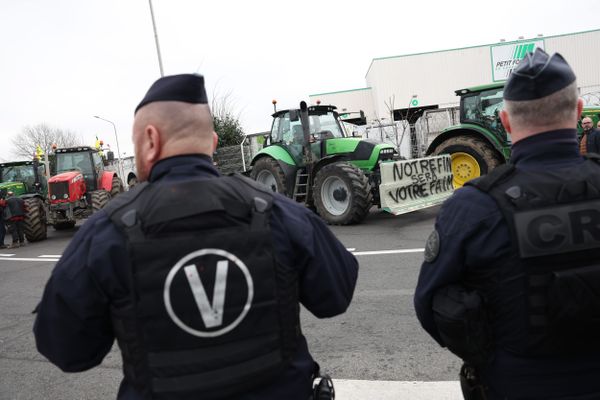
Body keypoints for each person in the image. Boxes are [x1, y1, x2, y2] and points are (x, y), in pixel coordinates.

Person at [33, 74, 358, 400]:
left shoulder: (106, 232)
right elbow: (336, 296)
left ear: (150, 140)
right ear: (213, 142)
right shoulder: (278, 212)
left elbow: (67, 349)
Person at [414, 48, 600, 400]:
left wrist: (488, 357)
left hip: (517, 384)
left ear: (505, 121)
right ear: (578, 112)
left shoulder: (474, 206)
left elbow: (429, 306)